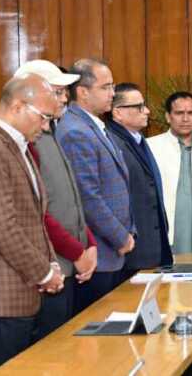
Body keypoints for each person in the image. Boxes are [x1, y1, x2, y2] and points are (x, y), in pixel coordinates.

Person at [0, 73, 65, 374]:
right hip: (3, 295)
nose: (46, 127)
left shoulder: (17, 145)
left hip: (26, 287)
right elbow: (2, 228)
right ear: (18, 106)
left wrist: (51, 264)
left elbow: (35, 218)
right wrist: (44, 272)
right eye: (44, 117)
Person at [13, 60, 97, 341]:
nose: (64, 99)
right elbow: (38, 212)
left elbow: (71, 200)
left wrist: (89, 243)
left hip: (70, 262)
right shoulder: (29, 141)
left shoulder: (50, 132)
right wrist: (78, 252)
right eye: (57, 92)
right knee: (52, 349)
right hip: (52, 265)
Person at [57, 58, 135, 311]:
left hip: (110, 252)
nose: (113, 93)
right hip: (98, 254)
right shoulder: (75, 131)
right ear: (82, 92)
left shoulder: (94, 125)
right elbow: (88, 197)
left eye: (112, 86)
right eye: (106, 87)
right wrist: (120, 236)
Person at [106, 83, 173, 278]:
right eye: (139, 107)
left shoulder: (137, 138)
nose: (147, 111)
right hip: (131, 251)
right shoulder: (113, 143)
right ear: (118, 112)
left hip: (150, 246)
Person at [148, 91, 192, 254]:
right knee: (169, 268)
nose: (185, 119)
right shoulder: (151, 146)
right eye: (179, 113)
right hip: (164, 230)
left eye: (191, 113)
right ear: (168, 116)